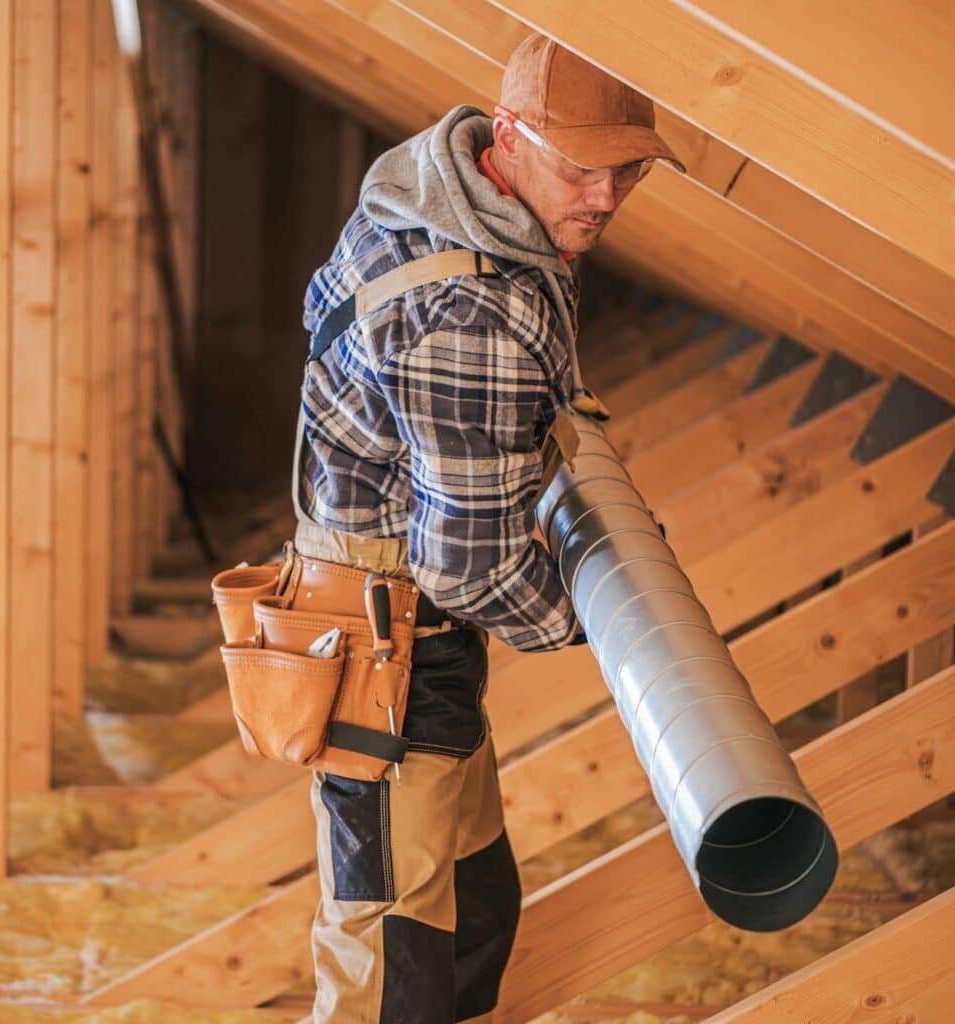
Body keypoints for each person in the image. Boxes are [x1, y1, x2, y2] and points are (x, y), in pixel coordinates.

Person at [293, 34, 685, 1024]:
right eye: (580, 165)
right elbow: (469, 563)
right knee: (393, 954)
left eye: (625, 168)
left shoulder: (447, 193)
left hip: (404, 630)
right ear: (507, 134)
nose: (604, 193)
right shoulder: (470, 298)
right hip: (388, 648)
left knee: (469, 908)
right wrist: (610, 621)